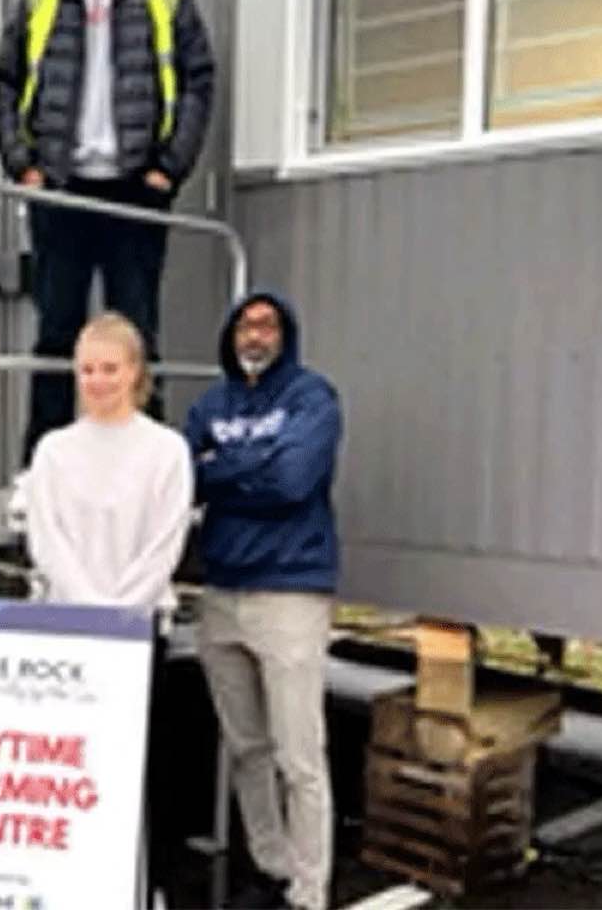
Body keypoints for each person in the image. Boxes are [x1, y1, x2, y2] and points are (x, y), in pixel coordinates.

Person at [0, 0, 216, 464]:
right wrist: (22, 167)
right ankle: (38, 480)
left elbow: (199, 80)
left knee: (137, 336)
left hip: (136, 191)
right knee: (56, 338)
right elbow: (3, 83)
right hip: (60, 193)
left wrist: (171, 166)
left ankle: (146, 473)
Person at [24, 311, 193, 908]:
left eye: (109, 368)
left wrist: (120, 618)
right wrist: (90, 616)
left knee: (144, 775)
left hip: (140, 634)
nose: (97, 381)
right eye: (86, 369)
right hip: (69, 639)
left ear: (135, 372)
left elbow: (164, 544)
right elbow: (46, 541)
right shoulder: (53, 450)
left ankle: (147, 889)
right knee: (71, 776)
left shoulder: (166, 450)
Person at [183, 293, 343, 910]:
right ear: (230, 335)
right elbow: (184, 473)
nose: (256, 335)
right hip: (221, 590)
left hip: (291, 591)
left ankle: (311, 886)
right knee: (247, 746)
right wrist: (249, 467)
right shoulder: (211, 404)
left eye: (268, 324)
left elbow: (294, 480)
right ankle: (271, 862)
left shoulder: (313, 397)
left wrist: (224, 467)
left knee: (300, 754)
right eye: (246, 324)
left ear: (287, 335)